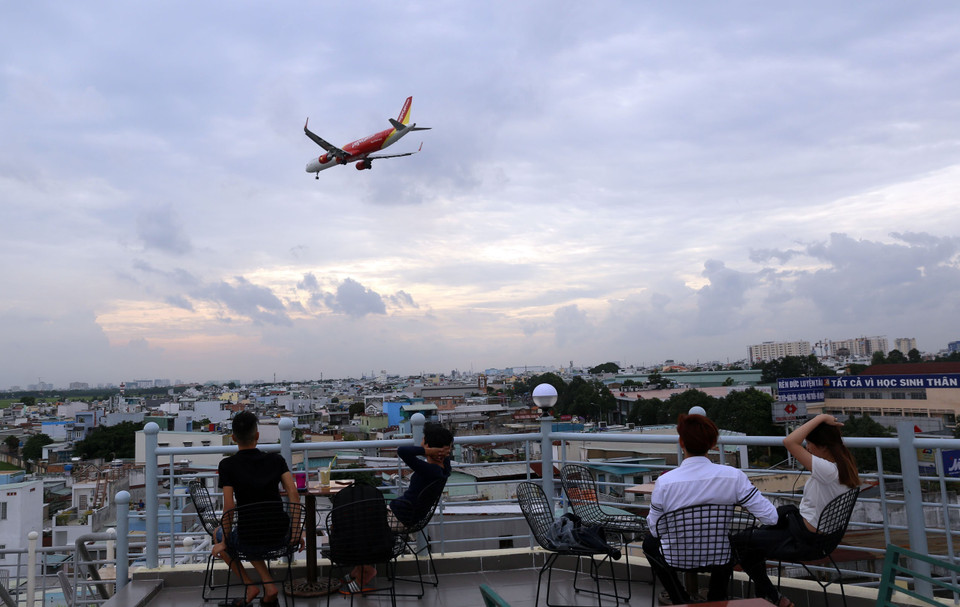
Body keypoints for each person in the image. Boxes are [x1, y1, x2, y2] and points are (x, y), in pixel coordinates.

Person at [643, 414, 778, 604]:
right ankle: (717, 597)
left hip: (676, 558)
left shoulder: (665, 482)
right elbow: (771, 517)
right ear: (713, 443)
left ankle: (679, 598)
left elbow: (656, 530)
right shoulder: (733, 477)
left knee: (649, 544)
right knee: (730, 544)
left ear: (681, 442)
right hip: (719, 558)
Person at [733, 414, 860, 607]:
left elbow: (789, 441)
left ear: (822, 446)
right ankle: (771, 599)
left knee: (737, 542)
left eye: (809, 444)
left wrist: (820, 417)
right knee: (749, 548)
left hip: (804, 540)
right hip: (820, 538)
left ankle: (772, 598)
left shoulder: (827, 470)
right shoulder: (844, 465)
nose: (807, 448)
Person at [343, 422, 453, 594]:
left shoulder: (429, 470)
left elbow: (403, 451)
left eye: (424, 442)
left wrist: (428, 451)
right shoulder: (444, 468)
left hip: (399, 517)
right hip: (404, 514)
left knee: (356, 523)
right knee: (361, 514)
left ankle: (366, 571)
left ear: (429, 447)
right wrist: (438, 451)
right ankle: (360, 570)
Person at [212, 411, 303, 607]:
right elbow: (294, 495)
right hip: (280, 534)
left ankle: (251, 585)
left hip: (249, 536)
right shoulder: (276, 460)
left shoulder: (227, 465)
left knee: (219, 534)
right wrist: (295, 530)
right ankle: (268, 587)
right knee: (252, 532)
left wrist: (224, 540)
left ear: (234, 438)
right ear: (257, 436)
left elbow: (229, 506)